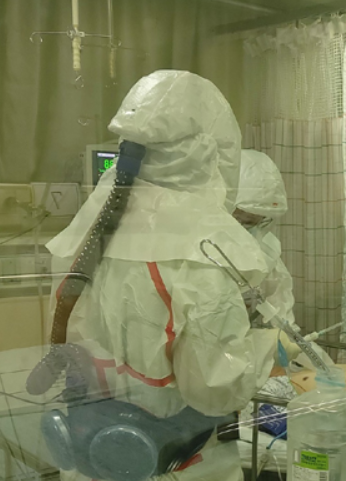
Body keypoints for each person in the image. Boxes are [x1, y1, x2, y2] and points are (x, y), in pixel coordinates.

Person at [45, 70, 298, 481]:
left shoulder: (87, 239)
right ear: (213, 157)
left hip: (92, 456)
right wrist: (265, 343)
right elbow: (216, 391)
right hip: (175, 464)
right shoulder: (198, 265)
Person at [232, 149, 295, 328]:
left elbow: (280, 307)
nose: (248, 228)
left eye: (254, 221)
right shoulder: (199, 248)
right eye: (241, 218)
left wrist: (286, 336)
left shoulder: (266, 249)